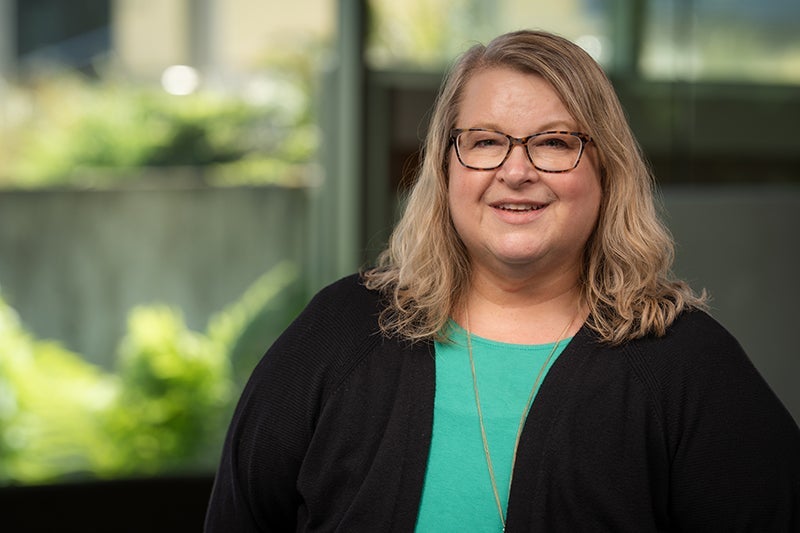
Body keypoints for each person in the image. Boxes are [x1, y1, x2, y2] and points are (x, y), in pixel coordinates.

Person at [205, 30, 800, 532]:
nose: (516, 171)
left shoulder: (687, 365)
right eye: (486, 141)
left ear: (607, 170)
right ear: (445, 168)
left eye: (555, 142)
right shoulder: (337, 333)